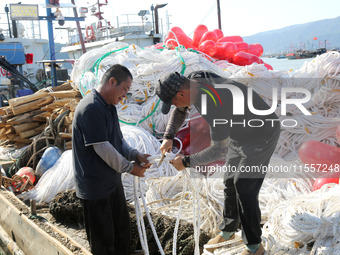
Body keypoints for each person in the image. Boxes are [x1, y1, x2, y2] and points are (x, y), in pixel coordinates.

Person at [156, 71, 280, 255]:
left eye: (173, 101)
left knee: (244, 186)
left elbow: (218, 150)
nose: (175, 106)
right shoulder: (194, 79)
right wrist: (168, 136)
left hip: (261, 135)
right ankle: (228, 230)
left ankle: (255, 247)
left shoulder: (213, 104)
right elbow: (180, 110)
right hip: (240, 134)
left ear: (181, 95)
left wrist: (187, 162)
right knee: (230, 181)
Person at [72, 64, 151, 255]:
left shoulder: (109, 107)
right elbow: (102, 148)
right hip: (95, 187)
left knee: (121, 232)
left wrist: (135, 154)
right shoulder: (91, 107)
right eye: (124, 89)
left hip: (111, 182)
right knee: (103, 241)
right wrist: (130, 167)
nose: (125, 95)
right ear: (112, 82)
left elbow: (117, 140)